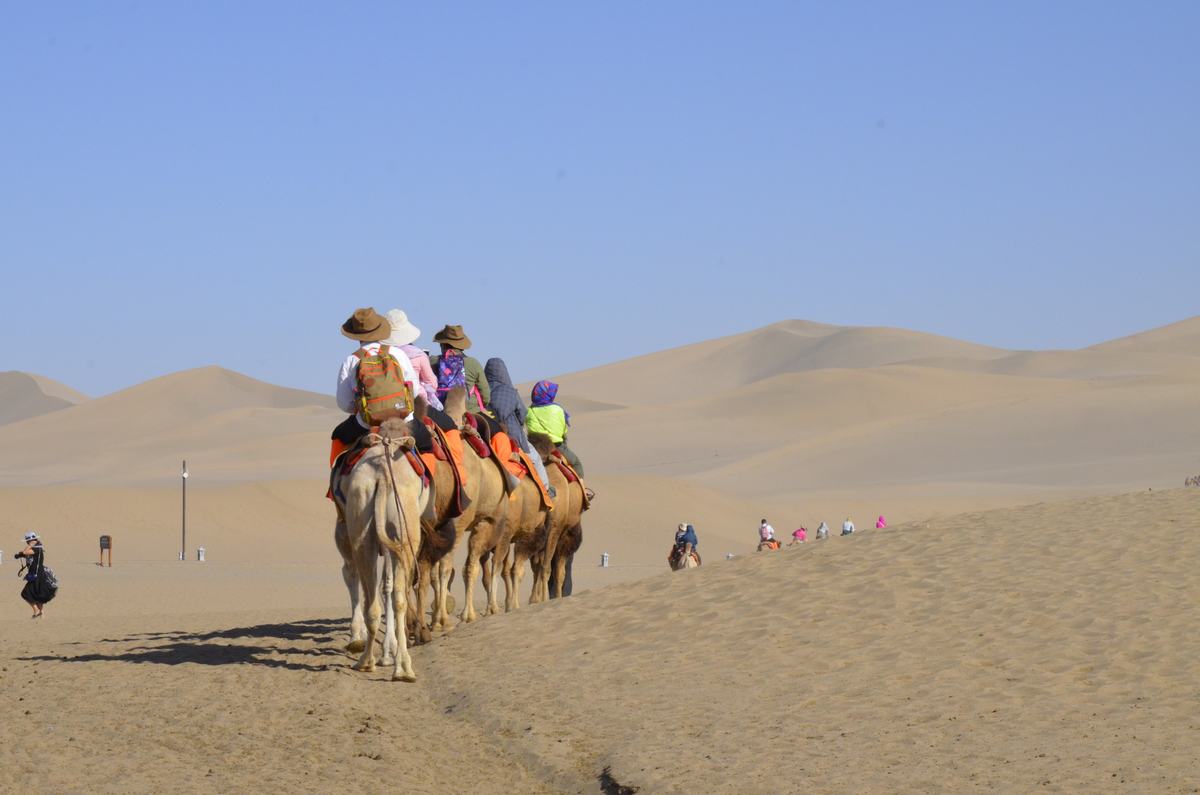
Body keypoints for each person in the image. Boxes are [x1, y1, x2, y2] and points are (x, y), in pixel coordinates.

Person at [329, 307, 421, 465]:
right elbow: (415, 390)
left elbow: (344, 403)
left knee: (338, 437)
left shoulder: (351, 361)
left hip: (365, 424)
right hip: (404, 420)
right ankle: (431, 485)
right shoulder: (398, 354)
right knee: (428, 445)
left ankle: (335, 487)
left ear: (356, 335)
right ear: (381, 330)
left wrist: (366, 407)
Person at [483, 357, 555, 497]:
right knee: (535, 458)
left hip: (489, 433)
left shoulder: (483, 391)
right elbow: (522, 414)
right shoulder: (509, 390)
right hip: (512, 434)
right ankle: (546, 490)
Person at [384, 308, 442, 411]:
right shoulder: (418, 354)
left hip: (388, 403)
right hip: (417, 402)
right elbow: (432, 383)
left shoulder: (382, 353)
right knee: (450, 424)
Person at [526, 380, 583, 475]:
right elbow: (563, 431)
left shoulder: (528, 411)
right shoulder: (558, 409)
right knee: (577, 464)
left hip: (535, 447)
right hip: (556, 446)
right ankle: (582, 489)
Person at [430, 325, 489, 414]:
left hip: (442, 411)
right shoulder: (473, 363)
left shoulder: (433, 361)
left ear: (442, 345)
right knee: (496, 426)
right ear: (462, 346)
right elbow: (486, 396)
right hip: (470, 411)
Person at [14, 532, 55, 618]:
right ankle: (42, 617)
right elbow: (25, 554)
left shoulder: (36, 549)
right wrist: (18, 555)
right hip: (37, 575)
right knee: (38, 597)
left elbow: (25, 552)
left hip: (37, 576)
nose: (27, 542)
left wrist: (31, 545)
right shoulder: (35, 549)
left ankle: (36, 610)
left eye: (28, 541)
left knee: (25, 594)